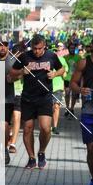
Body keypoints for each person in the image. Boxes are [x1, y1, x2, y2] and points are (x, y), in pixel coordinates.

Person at [11, 34, 65, 170]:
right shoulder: (25, 56)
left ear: (44, 46)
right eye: (34, 48)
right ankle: (31, 158)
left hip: (45, 97)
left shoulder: (51, 56)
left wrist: (55, 74)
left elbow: (62, 69)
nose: (37, 51)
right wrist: (22, 71)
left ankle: (41, 152)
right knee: (28, 128)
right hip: (28, 98)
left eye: (39, 48)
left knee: (46, 128)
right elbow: (12, 71)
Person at [70, 30, 93, 185]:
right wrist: (80, 90)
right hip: (89, 112)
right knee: (91, 149)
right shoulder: (84, 63)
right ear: (91, 45)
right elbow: (73, 83)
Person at [64, 42, 81, 117]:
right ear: (68, 49)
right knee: (67, 93)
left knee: (74, 95)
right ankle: (67, 108)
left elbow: (81, 68)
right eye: (71, 48)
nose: (72, 49)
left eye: (74, 48)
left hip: (75, 78)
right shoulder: (65, 57)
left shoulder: (78, 57)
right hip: (67, 78)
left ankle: (72, 108)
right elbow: (63, 68)